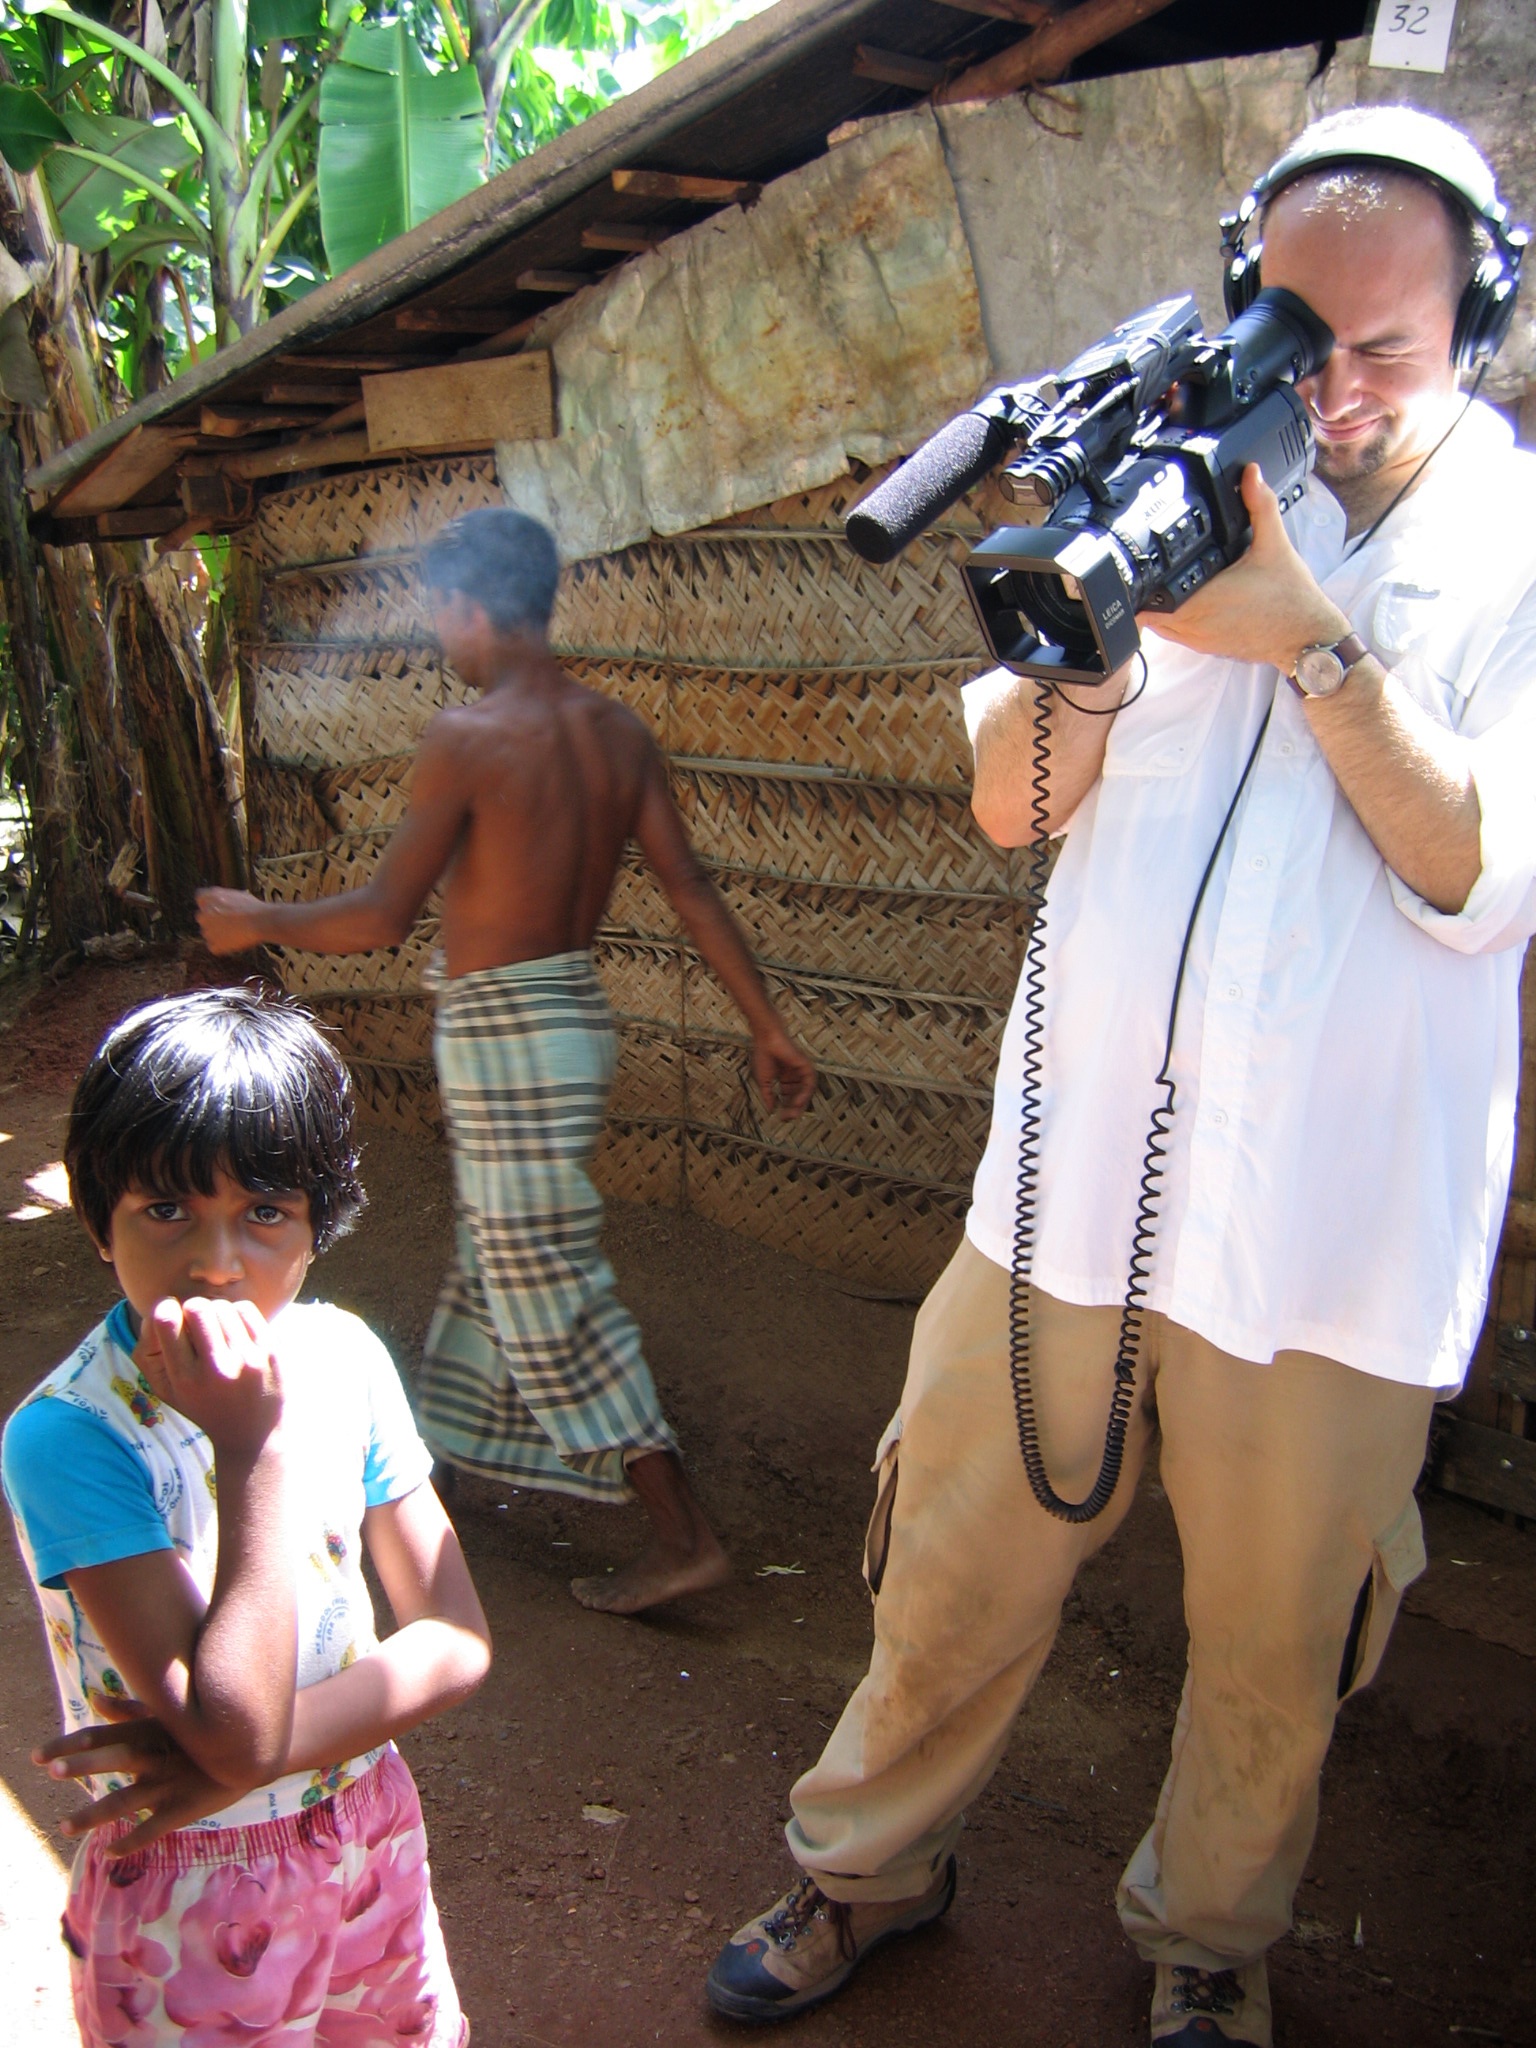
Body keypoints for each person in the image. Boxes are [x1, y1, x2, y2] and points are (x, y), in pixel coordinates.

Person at [705, 106, 1536, 2048]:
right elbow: (1011, 803)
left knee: (1276, 1640)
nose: (1323, 388)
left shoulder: (1518, 552)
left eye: (1383, 353)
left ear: (1477, 329)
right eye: (1291, 333)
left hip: (1328, 1240)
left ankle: (1210, 1949)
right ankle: (862, 1869)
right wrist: (1094, 642)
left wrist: (1308, 648)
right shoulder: (1170, 474)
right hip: (1066, 1187)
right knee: (955, 1565)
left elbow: (1477, 876)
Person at [197, 508, 816, 1616]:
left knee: (541, 1276)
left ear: (473, 608)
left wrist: (256, 919)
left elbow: (385, 914)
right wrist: (766, 1022)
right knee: (500, 1253)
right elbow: (691, 890)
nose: (444, 638)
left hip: (503, 1035)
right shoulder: (616, 731)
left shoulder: (469, 735)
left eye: (443, 614)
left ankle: (681, 1532)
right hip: (571, 1015)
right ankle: (429, 1474)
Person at [2, 987, 491, 2047]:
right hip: (191, 1895)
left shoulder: (346, 1358)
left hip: (368, 1835)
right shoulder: (70, 1437)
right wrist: (255, 1442)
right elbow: (235, 1726)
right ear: (96, 1221)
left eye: (266, 1212)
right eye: (167, 1209)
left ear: (319, 1230)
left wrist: (251, 1757)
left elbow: (456, 1638)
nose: (219, 1259)